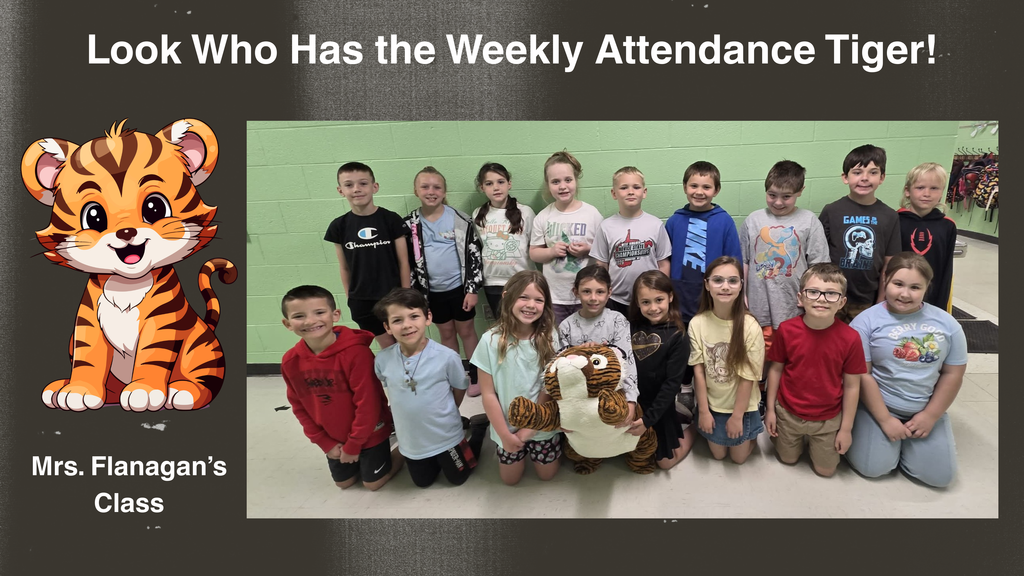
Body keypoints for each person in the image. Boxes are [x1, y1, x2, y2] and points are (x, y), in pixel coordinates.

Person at [845, 253, 968, 488]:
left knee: (939, 477)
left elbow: (953, 374)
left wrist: (930, 416)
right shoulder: (865, 322)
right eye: (898, 284)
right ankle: (886, 441)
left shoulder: (948, 324)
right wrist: (884, 419)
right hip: (878, 407)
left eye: (915, 287)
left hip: (924, 408)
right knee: (874, 469)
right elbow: (863, 374)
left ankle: (912, 443)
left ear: (927, 288)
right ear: (886, 282)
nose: (904, 294)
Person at [279, 285, 402, 491]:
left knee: (372, 484)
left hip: (371, 432)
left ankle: (406, 450)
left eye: (319, 312)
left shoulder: (356, 353)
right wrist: (324, 442)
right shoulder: (290, 361)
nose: (310, 321)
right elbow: (298, 405)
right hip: (334, 436)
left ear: (335, 315)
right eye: (299, 316)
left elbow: (368, 404)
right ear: (287, 324)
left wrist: (354, 445)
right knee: (343, 483)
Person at [372, 288, 488, 488]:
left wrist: (449, 410)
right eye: (397, 320)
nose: (407, 325)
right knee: (422, 483)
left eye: (414, 316)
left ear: (428, 318)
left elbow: (459, 388)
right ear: (387, 327)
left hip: (447, 436)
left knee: (459, 478)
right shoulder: (382, 359)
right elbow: (389, 388)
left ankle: (477, 431)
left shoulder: (447, 356)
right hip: (412, 441)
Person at [741, 160, 830, 416]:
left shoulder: (809, 221)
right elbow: (744, 261)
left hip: (793, 307)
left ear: (800, 192)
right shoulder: (753, 220)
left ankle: (779, 399)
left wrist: (811, 299)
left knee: (788, 357)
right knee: (759, 355)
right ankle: (757, 398)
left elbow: (819, 267)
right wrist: (744, 296)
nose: (778, 202)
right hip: (759, 306)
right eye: (772, 195)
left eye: (786, 196)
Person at [764, 263, 866, 477]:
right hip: (788, 412)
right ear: (800, 298)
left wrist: (846, 429)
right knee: (788, 460)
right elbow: (775, 370)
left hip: (827, 419)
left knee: (826, 471)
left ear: (842, 302)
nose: (821, 299)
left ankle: (817, 443)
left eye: (831, 294)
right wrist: (770, 409)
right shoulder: (787, 330)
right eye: (814, 292)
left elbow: (852, 385)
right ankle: (791, 439)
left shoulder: (851, 338)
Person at [470, 271, 563, 485]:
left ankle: (559, 442)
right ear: (507, 297)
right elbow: (488, 393)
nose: (531, 305)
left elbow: (548, 388)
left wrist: (528, 431)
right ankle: (484, 431)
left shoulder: (549, 337)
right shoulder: (489, 340)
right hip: (506, 425)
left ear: (545, 304)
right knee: (510, 480)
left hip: (540, 424)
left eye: (538, 300)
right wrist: (505, 435)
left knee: (547, 475)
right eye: (524, 297)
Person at [405, 166, 485, 395]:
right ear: (416, 190)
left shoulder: (460, 220)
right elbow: (408, 262)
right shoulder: (409, 224)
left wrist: (472, 289)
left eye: (437, 187)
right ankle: (455, 375)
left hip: (459, 289)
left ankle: (476, 375)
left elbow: (474, 257)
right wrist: (415, 295)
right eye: (425, 187)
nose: (431, 191)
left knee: (467, 331)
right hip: (430, 294)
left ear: (444, 190)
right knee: (446, 333)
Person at [324, 162, 411, 349]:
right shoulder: (339, 226)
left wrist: (406, 295)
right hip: (362, 300)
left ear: (375, 187)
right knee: (387, 345)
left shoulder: (390, 219)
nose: (356, 189)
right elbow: (344, 267)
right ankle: (394, 378)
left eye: (363, 183)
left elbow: (404, 262)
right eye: (349, 185)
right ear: (340, 190)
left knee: (405, 342)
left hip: (393, 295)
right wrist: (351, 297)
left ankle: (414, 377)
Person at [688, 256, 765, 464]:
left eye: (732, 280)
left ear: (741, 286)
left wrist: (738, 417)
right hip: (713, 404)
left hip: (742, 405)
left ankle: (753, 432)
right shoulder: (697, 323)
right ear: (707, 285)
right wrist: (703, 411)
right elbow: (699, 372)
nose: (725, 287)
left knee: (739, 459)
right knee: (718, 454)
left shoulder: (750, 326)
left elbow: (748, 378)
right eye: (718, 280)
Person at [818, 145, 901, 322]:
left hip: (866, 300)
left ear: (882, 177)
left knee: (860, 345)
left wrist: (881, 299)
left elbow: (889, 263)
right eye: (857, 172)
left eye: (872, 172)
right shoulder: (831, 211)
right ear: (845, 177)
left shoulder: (890, 216)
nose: (864, 178)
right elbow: (818, 258)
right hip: (832, 296)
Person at [627, 270, 696, 469]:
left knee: (665, 463)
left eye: (659, 300)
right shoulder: (630, 326)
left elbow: (672, 384)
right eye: (646, 302)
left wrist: (648, 420)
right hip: (633, 402)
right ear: (638, 303)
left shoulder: (678, 334)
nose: (653, 307)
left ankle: (693, 428)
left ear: (670, 297)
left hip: (660, 406)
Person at [558, 264, 640, 427]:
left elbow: (628, 362)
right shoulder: (566, 327)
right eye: (586, 291)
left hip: (614, 395)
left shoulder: (618, 321)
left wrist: (631, 401)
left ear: (609, 292)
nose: (593, 298)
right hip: (579, 399)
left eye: (600, 292)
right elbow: (558, 370)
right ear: (576, 292)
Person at [529, 150, 604, 327]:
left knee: (588, 339)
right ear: (548, 185)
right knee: (559, 342)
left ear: (576, 181)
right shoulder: (543, 216)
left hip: (587, 295)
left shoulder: (591, 214)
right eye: (555, 182)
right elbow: (534, 253)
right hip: (555, 297)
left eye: (568, 180)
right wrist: (551, 251)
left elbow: (604, 252)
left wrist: (587, 249)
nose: (562, 186)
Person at [665, 161, 743, 323]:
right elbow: (666, 260)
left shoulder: (724, 221)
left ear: (716, 190)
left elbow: (734, 261)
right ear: (685, 187)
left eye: (706, 187)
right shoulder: (674, 221)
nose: (699, 192)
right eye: (694, 186)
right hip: (680, 297)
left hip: (712, 295)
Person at [591, 166, 671, 316]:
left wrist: (661, 291)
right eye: (623, 187)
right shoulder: (606, 226)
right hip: (616, 300)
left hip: (650, 301)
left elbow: (663, 263)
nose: (630, 191)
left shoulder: (655, 224)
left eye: (636, 187)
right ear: (614, 193)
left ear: (644, 192)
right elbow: (601, 265)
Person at [471, 162, 536, 319]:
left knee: (526, 325)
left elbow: (533, 246)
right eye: (489, 183)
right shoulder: (478, 214)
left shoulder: (525, 212)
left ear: (509, 184)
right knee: (503, 328)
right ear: (482, 188)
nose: (496, 187)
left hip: (522, 281)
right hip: (493, 282)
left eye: (500, 182)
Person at [898, 163, 957, 312]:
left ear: (942, 192)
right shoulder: (895, 220)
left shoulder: (947, 226)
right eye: (920, 187)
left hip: (931, 297)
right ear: (907, 191)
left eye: (934, 188)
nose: (927, 193)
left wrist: (941, 307)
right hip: (898, 295)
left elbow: (946, 268)